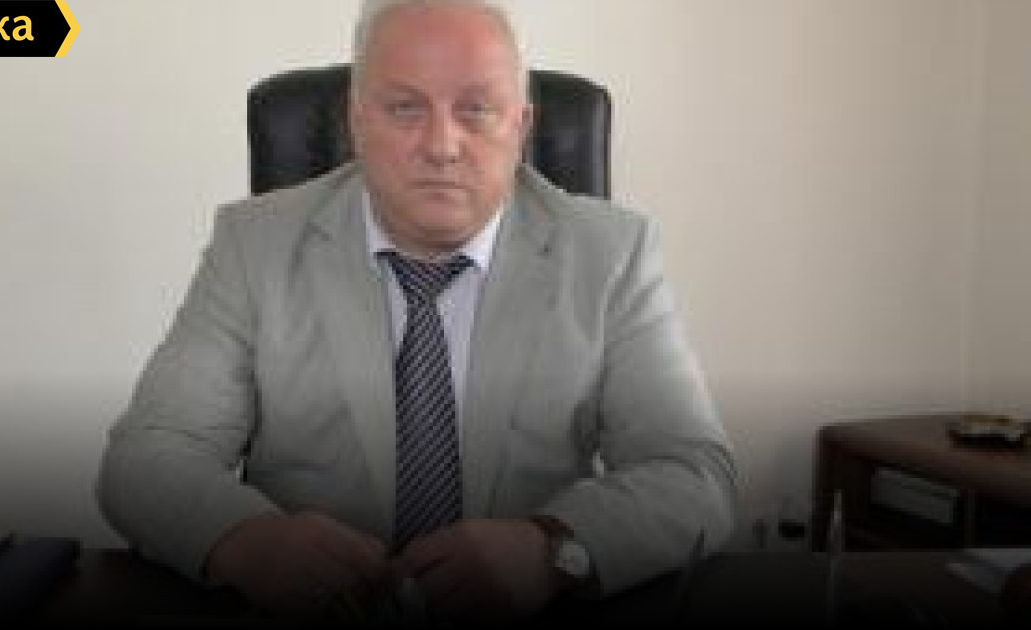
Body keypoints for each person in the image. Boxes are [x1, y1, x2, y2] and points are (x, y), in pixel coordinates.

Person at [96, 0, 739, 624]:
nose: (442, 145)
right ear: (355, 121)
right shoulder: (254, 245)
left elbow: (696, 476)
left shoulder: (612, 255)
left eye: (476, 109)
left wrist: (553, 551)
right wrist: (248, 542)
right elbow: (147, 456)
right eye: (405, 108)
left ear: (521, 126)